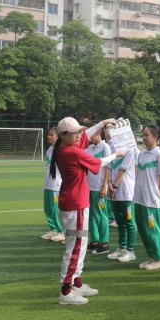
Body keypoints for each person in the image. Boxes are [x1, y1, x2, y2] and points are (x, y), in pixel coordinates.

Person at [50, 116, 118, 305]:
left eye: (80, 131)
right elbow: (100, 162)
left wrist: (102, 123)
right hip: (76, 205)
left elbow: (85, 135)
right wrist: (116, 154)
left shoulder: (65, 148)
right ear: (64, 135)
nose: (80, 135)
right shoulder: (70, 152)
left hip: (73, 204)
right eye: (76, 132)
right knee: (75, 248)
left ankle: (76, 283)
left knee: (77, 244)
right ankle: (66, 290)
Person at [133, 125, 160, 271]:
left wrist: (159, 197)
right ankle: (152, 256)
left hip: (151, 199)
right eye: (144, 135)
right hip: (139, 198)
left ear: (156, 138)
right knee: (142, 229)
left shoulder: (159, 155)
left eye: (147, 135)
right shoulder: (141, 154)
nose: (144, 137)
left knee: (153, 230)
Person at [106, 144, 137, 263]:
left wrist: (114, 186)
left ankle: (130, 250)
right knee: (119, 221)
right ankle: (122, 247)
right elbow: (108, 167)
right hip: (113, 192)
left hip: (125, 192)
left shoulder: (129, 149)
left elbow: (122, 169)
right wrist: (108, 183)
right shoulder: (112, 148)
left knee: (129, 221)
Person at [85, 128, 112, 255]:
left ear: (98, 133)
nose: (89, 137)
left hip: (99, 187)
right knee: (92, 215)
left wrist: (104, 185)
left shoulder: (105, 147)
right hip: (89, 187)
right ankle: (95, 240)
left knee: (102, 215)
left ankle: (104, 242)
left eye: (91, 135)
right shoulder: (89, 149)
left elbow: (108, 167)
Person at [42, 126, 65, 243]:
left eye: (52, 135)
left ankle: (61, 231)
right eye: (48, 135)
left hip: (56, 184)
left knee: (55, 209)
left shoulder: (60, 149)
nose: (49, 137)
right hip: (48, 183)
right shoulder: (49, 149)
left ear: (57, 136)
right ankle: (53, 229)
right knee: (47, 208)